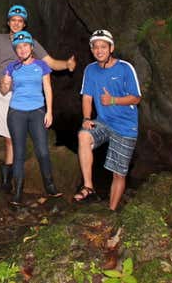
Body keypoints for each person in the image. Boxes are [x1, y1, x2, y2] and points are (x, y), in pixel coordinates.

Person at [0, 4, 76, 192]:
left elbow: (50, 63)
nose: (16, 23)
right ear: (8, 22)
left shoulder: (29, 43)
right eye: (13, 20)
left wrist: (67, 64)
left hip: (12, 96)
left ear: (24, 24)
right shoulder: (0, 39)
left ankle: (6, 178)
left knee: (9, 138)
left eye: (20, 21)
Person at [74, 29, 142, 210]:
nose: (99, 50)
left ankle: (111, 211)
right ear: (92, 50)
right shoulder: (90, 70)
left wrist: (113, 100)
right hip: (103, 121)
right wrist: (87, 118)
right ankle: (88, 186)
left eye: (103, 47)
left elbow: (136, 98)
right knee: (84, 135)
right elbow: (87, 97)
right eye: (95, 47)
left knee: (118, 174)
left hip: (125, 126)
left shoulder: (125, 68)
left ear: (111, 48)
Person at [0, 31, 62, 205]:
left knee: (42, 150)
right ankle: (17, 192)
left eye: (25, 46)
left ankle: (50, 186)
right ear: (16, 50)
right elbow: (4, 91)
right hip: (16, 112)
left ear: (31, 47)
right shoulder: (11, 67)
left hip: (37, 111)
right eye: (19, 47)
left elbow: (47, 88)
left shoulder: (42, 66)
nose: (22, 49)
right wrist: (4, 84)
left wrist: (49, 111)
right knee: (18, 152)